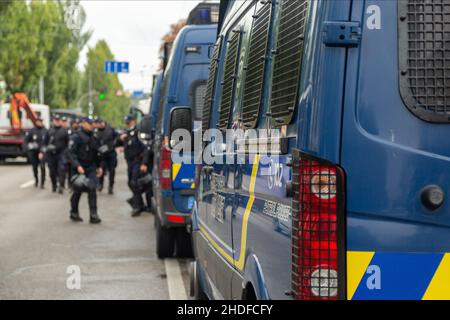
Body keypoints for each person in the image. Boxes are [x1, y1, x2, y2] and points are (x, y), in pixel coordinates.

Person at [68, 117, 103, 224]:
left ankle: (93, 215)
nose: (91, 125)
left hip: (90, 167)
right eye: (89, 123)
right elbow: (71, 153)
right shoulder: (76, 137)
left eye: (92, 123)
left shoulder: (94, 137)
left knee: (92, 188)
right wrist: (77, 166)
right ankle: (74, 212)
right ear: (83, 124)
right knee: (77, 190)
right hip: (78, 168)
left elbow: (98, 153)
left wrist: (99, 166)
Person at [121, 115, 145, 217]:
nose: (128, 123)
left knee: (134, 183)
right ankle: (140, 203)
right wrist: (121, 138)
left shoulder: (138, 132)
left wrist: (144, 163)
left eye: (129, 121)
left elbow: (145, 148)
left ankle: (137, 207)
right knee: (130, 183)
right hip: (129, 161)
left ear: (133, 121)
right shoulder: (126, 132)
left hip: (137, 160)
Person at [44, 115, 69, 194]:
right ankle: (54, 185)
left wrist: (66, 152)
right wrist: (46, 149)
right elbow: (45, 143)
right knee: (52, 171)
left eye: (58, 120)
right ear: (53, 121)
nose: (57, 121)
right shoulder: (49, 131)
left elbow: (68, 143)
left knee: (61, 170)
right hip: (51, 154)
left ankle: (61, 186)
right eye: (56, 120)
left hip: (61, 153)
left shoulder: (64, 131)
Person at [96, 119, 118, 194]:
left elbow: (117, 138)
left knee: (112, 171)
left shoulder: (110, 129)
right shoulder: (96, 131)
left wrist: (112, 145)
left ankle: (110, 186)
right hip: (101, 154)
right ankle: (100, 184)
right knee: (101, 169)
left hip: (110, 153)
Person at [25, 117, 47, 188]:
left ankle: (42, 183)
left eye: (40, 121)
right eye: (38, 121)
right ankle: (36, 180)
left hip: (42, 152)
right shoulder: (32, 131)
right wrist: (28, 147)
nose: (39, 123)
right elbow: (26, 141)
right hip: (34, 152)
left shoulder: (45, 131)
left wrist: (42, 151)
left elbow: (47, 142)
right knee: (34, 167)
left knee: (42, 167)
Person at [67, 118, 80, 188]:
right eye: (75, 123)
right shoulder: (69, 131)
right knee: (70, 171)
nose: (76, 124)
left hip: (78, 153)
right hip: (70, 153)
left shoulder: (80, 132)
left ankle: (76, 184)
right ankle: (70, 183)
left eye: (77, 123)